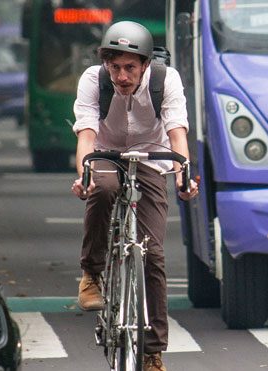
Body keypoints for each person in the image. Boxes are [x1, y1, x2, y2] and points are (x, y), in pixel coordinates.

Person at [69, 21, 198, 371]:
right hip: (106, 152)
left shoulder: (165, 80)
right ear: (106, 65)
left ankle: (153, 351)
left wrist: (184, 175)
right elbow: (86, 134)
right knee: (105, 187)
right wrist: (85, 174)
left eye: (130, 67)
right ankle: (92, 274)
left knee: (153, 253)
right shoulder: (93, 80)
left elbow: (177, 131)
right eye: (115, 67)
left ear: (145, 64)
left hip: (151, 156)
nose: (122, 76)